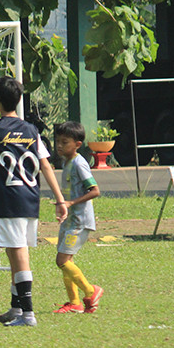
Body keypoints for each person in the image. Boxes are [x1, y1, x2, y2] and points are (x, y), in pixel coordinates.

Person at [0, 76, 68, 327]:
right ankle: (16, 308)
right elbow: (46, 165)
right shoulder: (31, 130)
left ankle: (28, 314)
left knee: (19, 255)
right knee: (15, 255)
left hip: (7, 200)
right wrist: (59, 200)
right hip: (29, 200)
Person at [51, 121, 103, 313]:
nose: (59, 145)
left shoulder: (80, 164)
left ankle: (91, 291)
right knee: (67, 262)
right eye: (58, 141)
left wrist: (71, 203)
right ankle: (74, 303)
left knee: (62, 261)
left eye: (64, 142)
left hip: (79, 222)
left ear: (77, 144)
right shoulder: (67, 162)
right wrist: (63, 206)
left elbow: (95, 190)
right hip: (70, 220)